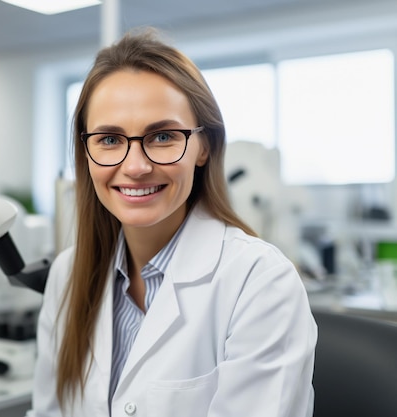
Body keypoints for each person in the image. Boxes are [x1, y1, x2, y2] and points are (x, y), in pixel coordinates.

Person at [27, 28, 317, 417]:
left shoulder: (260, 281)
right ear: (86, 152)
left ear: (205, 147)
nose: (135, 167)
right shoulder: (68, 275)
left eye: (162, 135)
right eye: (109, 140)